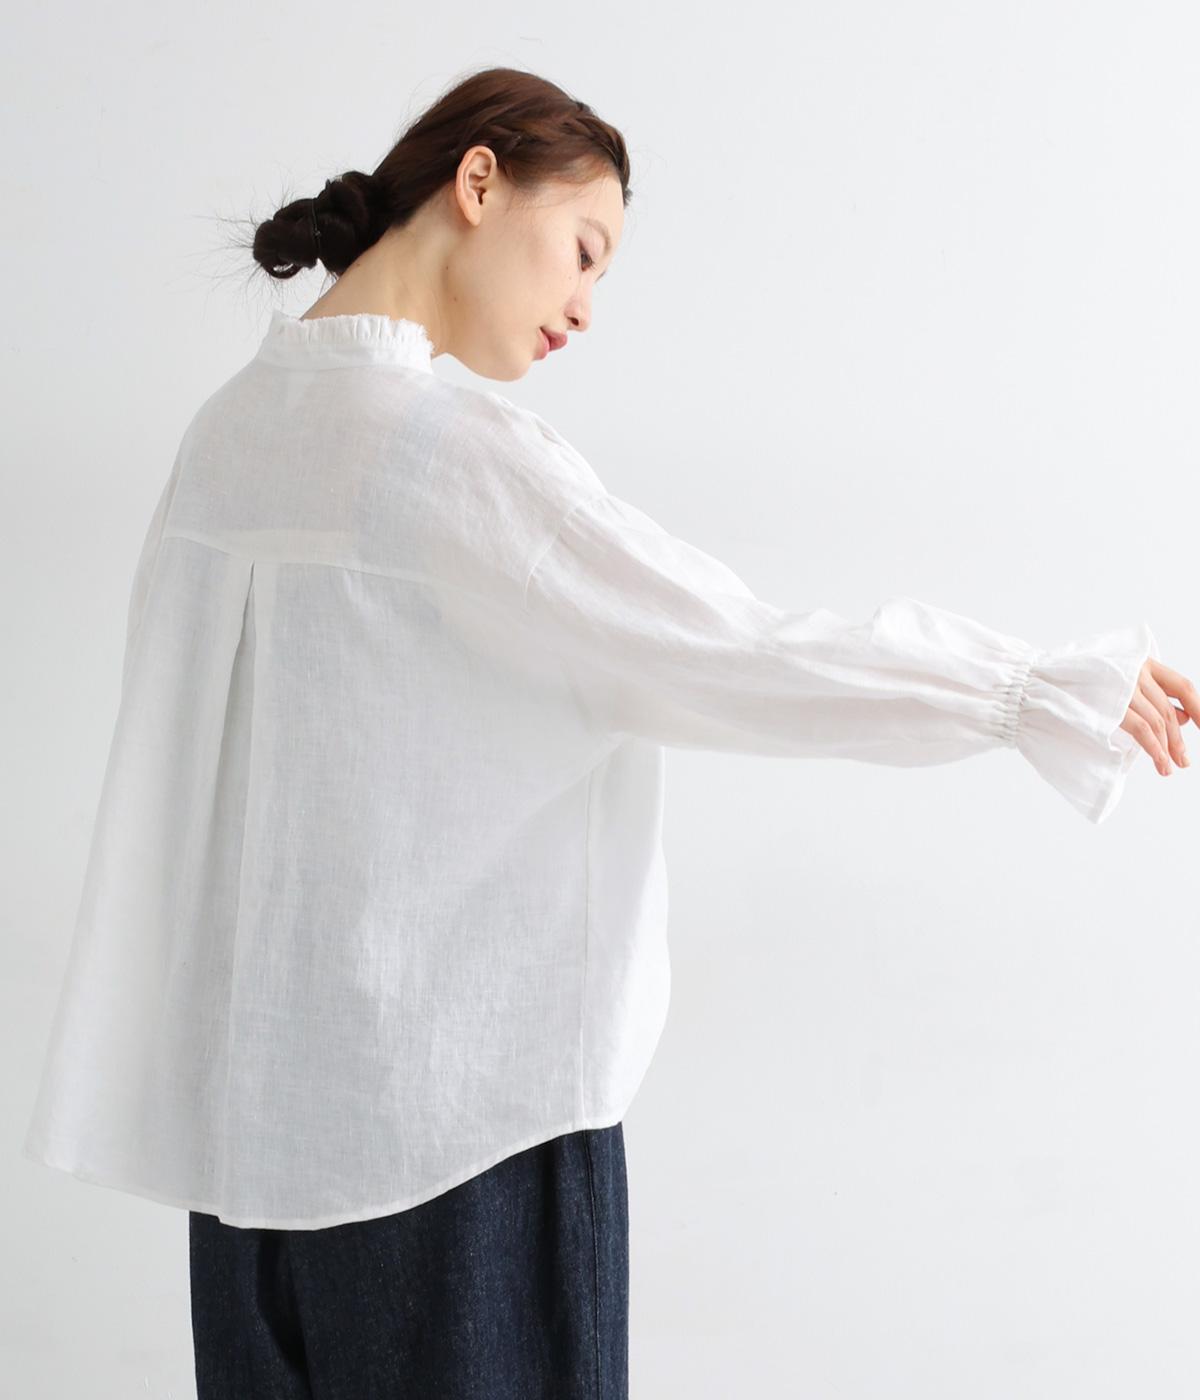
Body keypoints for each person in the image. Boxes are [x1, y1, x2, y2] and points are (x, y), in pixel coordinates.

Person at [22, 63, 1193, 1400]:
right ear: (478, 182)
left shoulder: (226, 435)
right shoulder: (446, 454)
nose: (586, 305)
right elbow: (737, 651)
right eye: (585, 249)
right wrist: (1029, 689)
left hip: (246, 1171)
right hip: (459, 1150)